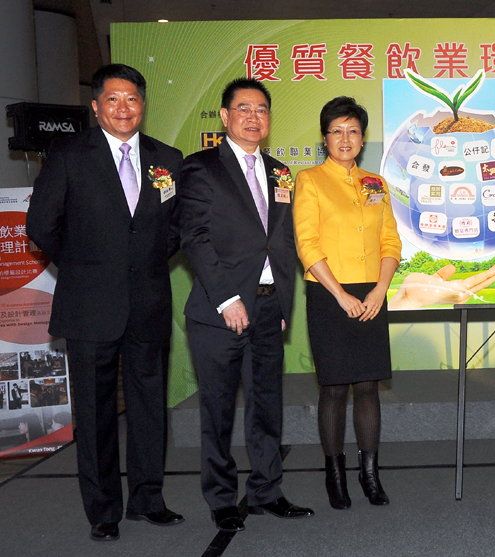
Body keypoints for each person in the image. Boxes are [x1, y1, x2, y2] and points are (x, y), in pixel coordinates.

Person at [26, 63, 185, 542]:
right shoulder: (69, 155)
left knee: (148, 406)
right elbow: (41, 225)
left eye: (132, 98)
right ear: (95, 106)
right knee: (94, 413)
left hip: (150, 301)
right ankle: (102, 510)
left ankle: (148, 498)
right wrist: (83, 266)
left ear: (143, 105)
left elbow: (174, 225)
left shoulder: (167, 159)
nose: (123, 108)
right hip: (90, 303)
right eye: (112, 99)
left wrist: (151, 255)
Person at [178, 78, 313, 531]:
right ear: (224, 116)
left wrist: (279, 304)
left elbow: (283, 242)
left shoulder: (279, 172)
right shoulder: (200, 168)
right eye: (244, 109)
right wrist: (228, 299)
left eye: (261, 110)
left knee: (266, 406)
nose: (254, 117)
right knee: (217, 410)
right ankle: (220, 497)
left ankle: (266, 491)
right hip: (221, 313)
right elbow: (194, 239)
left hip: (269, 309)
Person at [294, 96, 401, 508]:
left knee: (368, 386)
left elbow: (390, 241)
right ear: (325, 137)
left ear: (362, 138)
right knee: (335, 388)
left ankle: (369, 474)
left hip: (372, 292)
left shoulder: (376, 183)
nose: (345, 138)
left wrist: (379, 290)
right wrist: (339, 294)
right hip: (328, 291)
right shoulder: (310, 180)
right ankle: (334, 474)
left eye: (353, 131)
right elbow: (307, 243)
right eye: (337, 130)